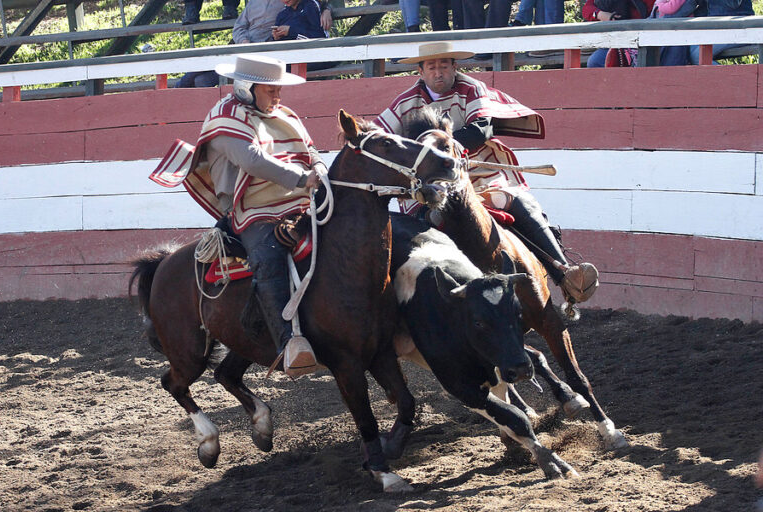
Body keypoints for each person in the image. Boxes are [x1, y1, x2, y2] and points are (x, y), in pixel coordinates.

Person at [376, 42, 600, 304]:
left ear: (454, 67)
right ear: (420, 72)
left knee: (512, 201)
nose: (438, 73)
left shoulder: (471, 88)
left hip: (478, 169)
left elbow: (482, 128)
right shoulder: (404, 102)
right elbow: (381, 137)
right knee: (418, 226)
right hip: (431, 181)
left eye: (444, 66)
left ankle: (563, 273)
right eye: (432, 67)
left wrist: (450, 147)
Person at [153, 55, 324, 377]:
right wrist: (303, 179)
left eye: (278, 89)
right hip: (254, 210)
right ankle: (289, 343)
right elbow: (252, 160)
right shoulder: (224, 119)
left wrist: (319, 167)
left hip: (301, 202)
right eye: (271, 89)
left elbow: (310, 149)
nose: (278, 95)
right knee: (268, 257)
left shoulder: (284, 114)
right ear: (247, 88)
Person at [582, 0, 655, 67]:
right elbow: (587, 9)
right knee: (595, 62)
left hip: (641, 44)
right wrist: (600, 14)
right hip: (614, 42)